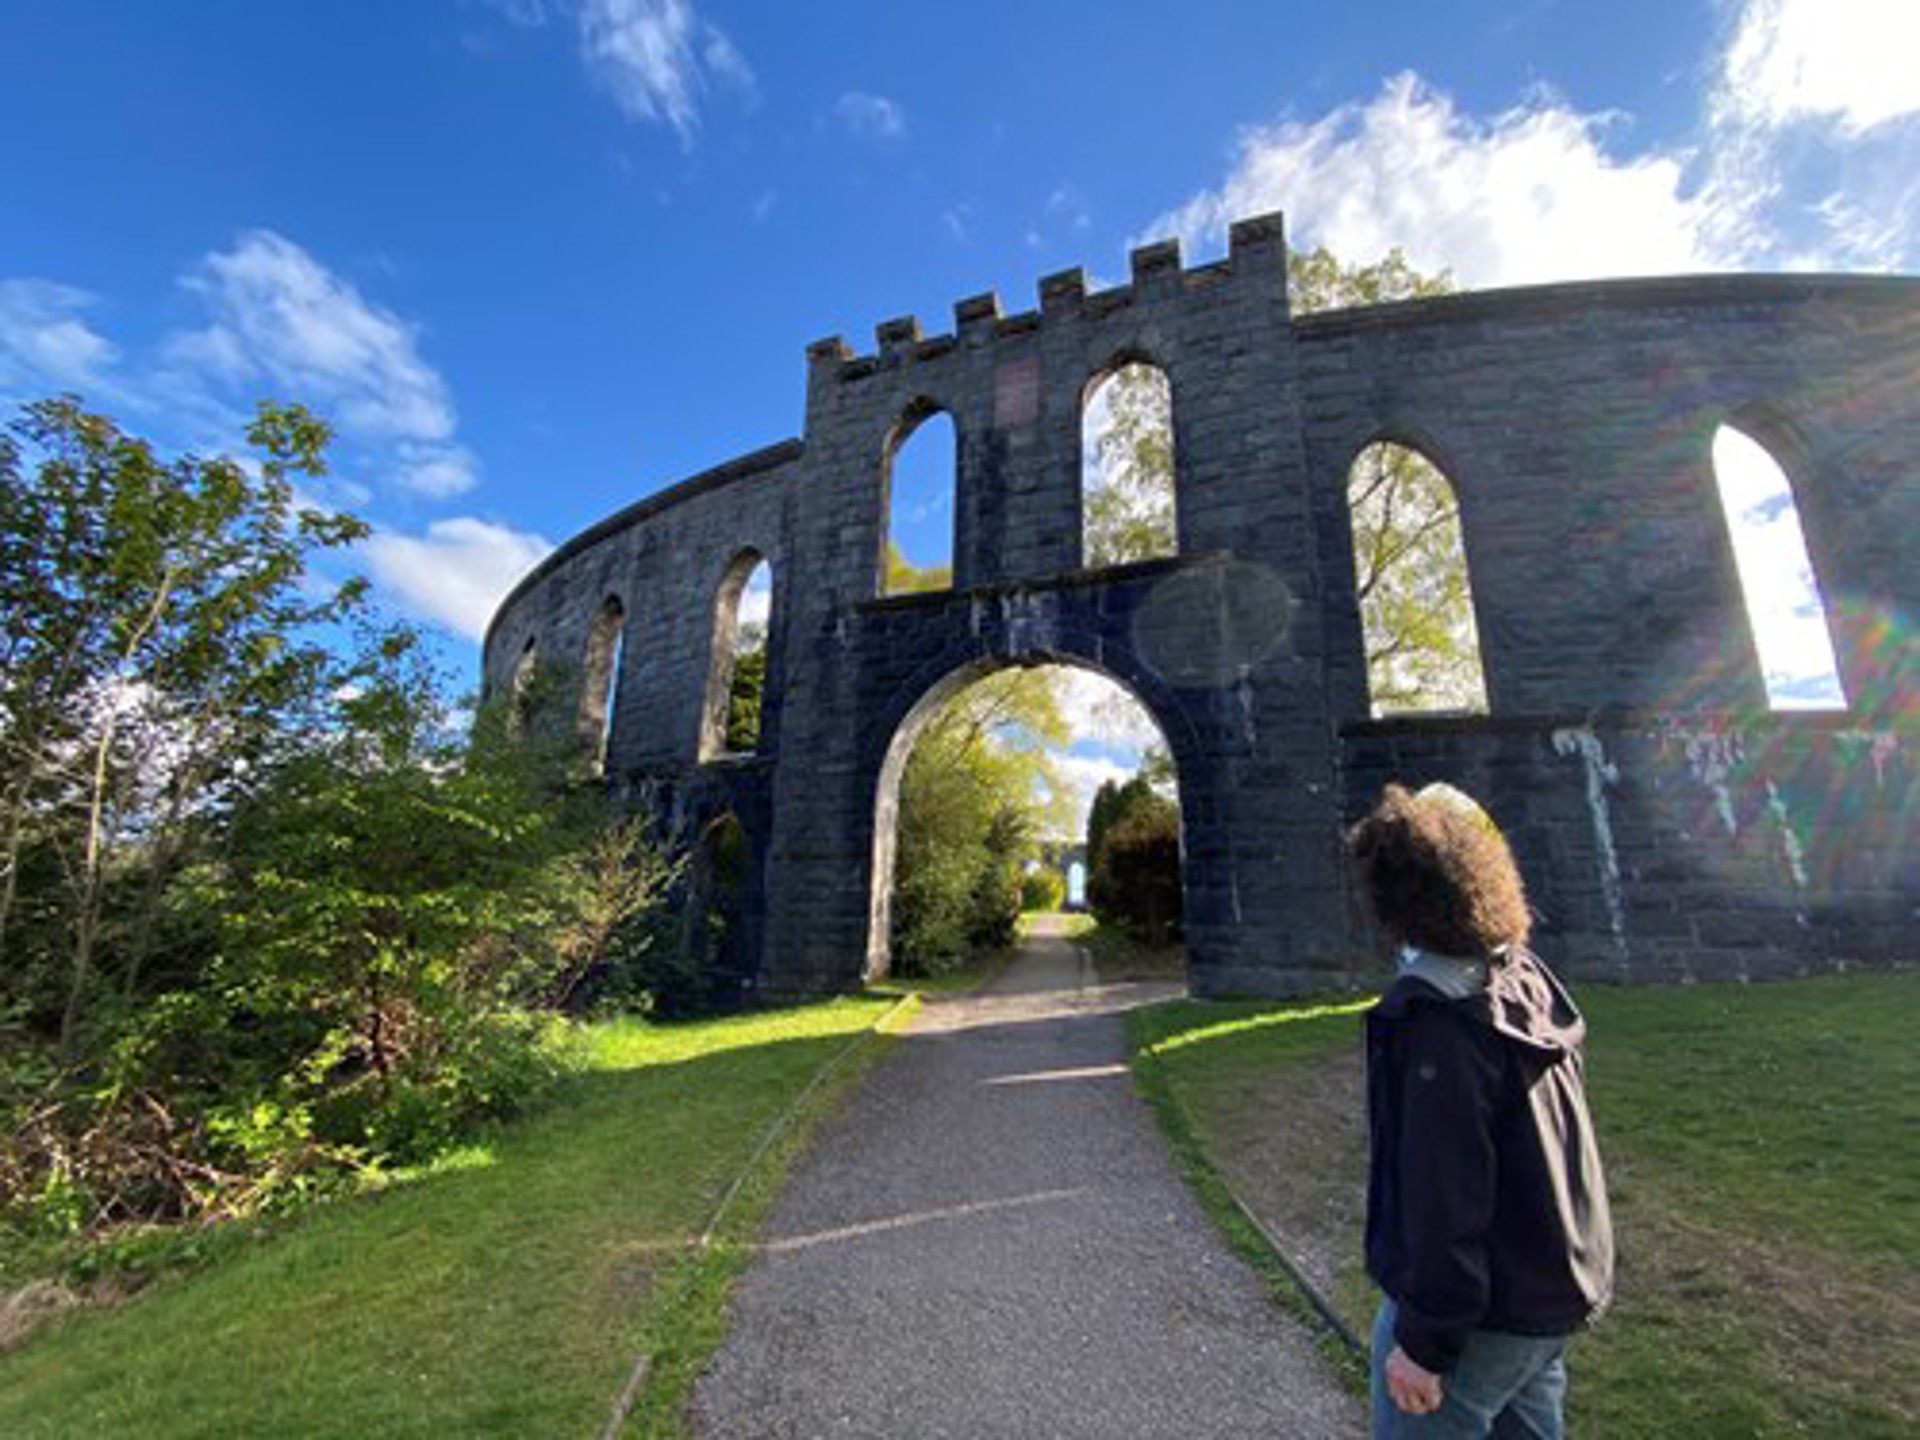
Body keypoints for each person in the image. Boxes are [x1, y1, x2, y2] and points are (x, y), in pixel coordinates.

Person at [1348, 782, 1614, 1439]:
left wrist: (1425, 1340)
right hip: (1549, 1293)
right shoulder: (1524, 978)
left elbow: (1444, 1192)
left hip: (1476, 1318)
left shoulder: (1435, 1020)